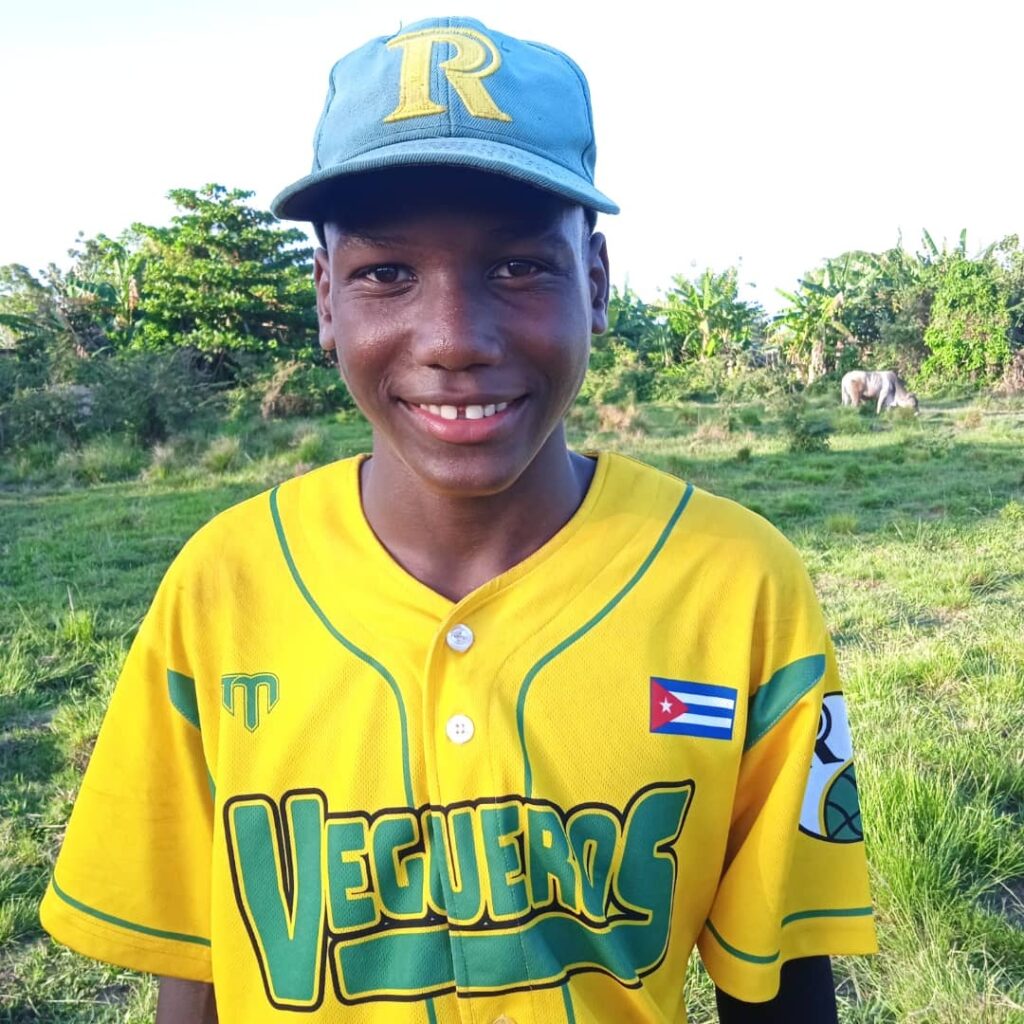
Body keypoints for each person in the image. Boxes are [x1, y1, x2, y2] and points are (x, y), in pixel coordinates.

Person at [40, 16, 877, 1023]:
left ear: (596, 284)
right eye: (386, 273)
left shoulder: (737, 586)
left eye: (518, 266)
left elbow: (781, 982)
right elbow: (197, 965)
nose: (453, 338)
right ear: (325, 299)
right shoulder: (221, 589)